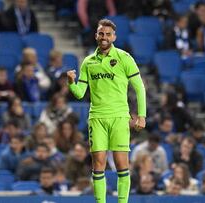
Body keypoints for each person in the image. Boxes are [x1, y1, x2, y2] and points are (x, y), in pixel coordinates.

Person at [67, 19, 146, 203]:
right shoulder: (88, 62)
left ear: (114, 37)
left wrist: (141, 115)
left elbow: (139, 88)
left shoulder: (124, 58)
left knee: (121, 164)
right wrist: (71, 83)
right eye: (101, 34)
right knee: (98, 164)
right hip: (97, 118)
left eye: (108, 34)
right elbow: (80, 93)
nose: (104, 37)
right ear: (96, 35)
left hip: (119, 117)